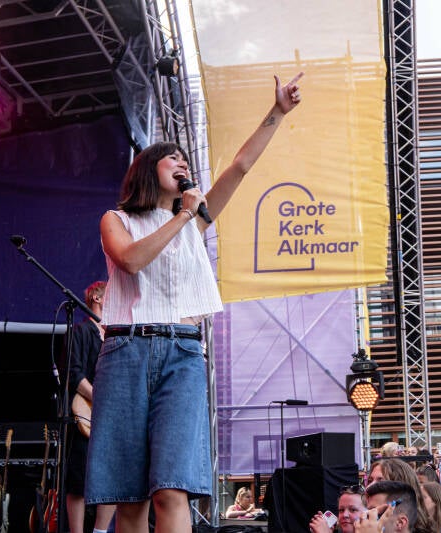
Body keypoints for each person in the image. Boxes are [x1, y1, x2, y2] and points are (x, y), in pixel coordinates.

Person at [85, 72, 304, 532]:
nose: (182, 162)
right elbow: (130, 261)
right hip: (126, 352)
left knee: (172, 487)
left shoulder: (194, 223)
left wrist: (277, 113)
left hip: (182, 355)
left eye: (185, 159)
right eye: (172, 158)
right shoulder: (117, 219)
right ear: (150, 169)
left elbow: (240, 167)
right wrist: (183, 213)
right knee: (130, 498)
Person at [63, 281, 116, 533]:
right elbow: (73, 373)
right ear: (96, 297)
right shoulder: (82, 332)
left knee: (113, 477)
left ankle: (100, 531)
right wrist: (98, 398)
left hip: (114, 416)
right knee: (79, 479)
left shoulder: (116, 334)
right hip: (87, 414)